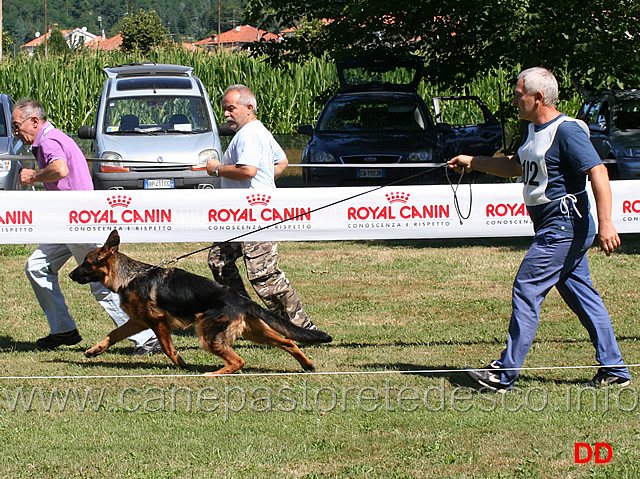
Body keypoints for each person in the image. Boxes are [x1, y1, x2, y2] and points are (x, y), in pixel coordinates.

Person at [448, 67, 631, 392]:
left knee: (527, 287)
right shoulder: (533, 130)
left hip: (564, 225)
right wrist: (472, 161)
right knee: (583, 296)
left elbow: (599, 172)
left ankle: (502, 374)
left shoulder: (567, 131)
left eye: (519, 96)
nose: (515, 101)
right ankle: (615, 370)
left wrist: (606, 223)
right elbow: (515, 166)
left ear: (538, 97)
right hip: (553, 225)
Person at [14, 99, 160, 355]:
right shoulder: (51, 137)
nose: (16, 132)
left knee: (101, 282)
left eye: (17, 126)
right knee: (37, 267)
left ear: (34, 121)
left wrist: (32, 176)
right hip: (68, 221)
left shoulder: (48, 140)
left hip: (77, 221)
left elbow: (59, 169)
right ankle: (63, 330)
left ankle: (147, 337)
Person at [206, 84, 317, 331]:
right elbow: (282, 161)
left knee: (264, 277)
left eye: (231, 109)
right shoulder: (257, 131)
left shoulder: (249, 135)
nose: (226, 114)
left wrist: (215, 168)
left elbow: (247, 170)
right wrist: (264, 184)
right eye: (224, 109)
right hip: (237, 215)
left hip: (256, 215)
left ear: (249, 107)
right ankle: (244, 315)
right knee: (219, 261)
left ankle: (300, 326)